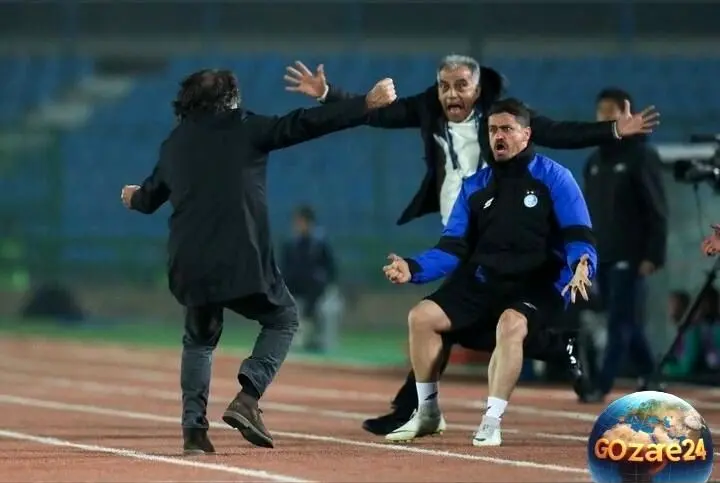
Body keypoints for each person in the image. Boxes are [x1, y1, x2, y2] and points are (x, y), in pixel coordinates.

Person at [284, 55, 659, 435]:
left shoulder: (506, 120)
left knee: (486, 319)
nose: (452, 94)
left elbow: (562, 133)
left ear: (478, 89)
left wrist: (614, 130)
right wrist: (329, 94)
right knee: (441, 317)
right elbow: (379, 112)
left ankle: (427, 408)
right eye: (444, 86)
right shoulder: (432, 114)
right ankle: (435, 402)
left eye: (461, 85)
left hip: (511, 233)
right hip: (465, 228)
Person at [120, 69, 397, 454]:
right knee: (284, 318)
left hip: (190, 262)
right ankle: (248, 397)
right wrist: (364, 104)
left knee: (198, 341)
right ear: (230, 99)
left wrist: (132, 197)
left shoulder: (175, 143)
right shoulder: (247, 126)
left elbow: (149, 198)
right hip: (242, 259)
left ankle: (194, 432)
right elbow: (306, 123)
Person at [381, 98, 597, 446]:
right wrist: (413, 267)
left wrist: (582, 263)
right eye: (493, 129)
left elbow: (578, 235)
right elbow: (452, 248)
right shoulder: (475, 186)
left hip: (539, 282)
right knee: (421, 317)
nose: (498, 136)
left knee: (511, 324)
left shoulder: (555, 178)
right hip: (485, 280)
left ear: (526, 135)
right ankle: (428, 413)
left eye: (507, 129)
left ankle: (491, 420)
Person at [579, 87, 668, 403]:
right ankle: (650, 373)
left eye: (610, 113)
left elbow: (657, 209)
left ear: (626, 114)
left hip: (631, 256)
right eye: (600, 113)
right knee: (625, 321)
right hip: (601, 254)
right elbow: (586, 212)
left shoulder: (641, 156)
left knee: (619, 321)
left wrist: (653, 254)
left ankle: (600, 385)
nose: (603, 118)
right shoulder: (594, 162)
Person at [281, 205, 339, 353]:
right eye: (297, 222)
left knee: (315, 285)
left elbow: (330, 269)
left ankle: (308, 328)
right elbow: (284, 268)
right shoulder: (290, 244)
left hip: (313, 289)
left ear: (310, 223)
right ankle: (287, 332)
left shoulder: (319, 244)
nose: (299, 226)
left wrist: (329, 285)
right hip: (294, 286)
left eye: (302, 222)